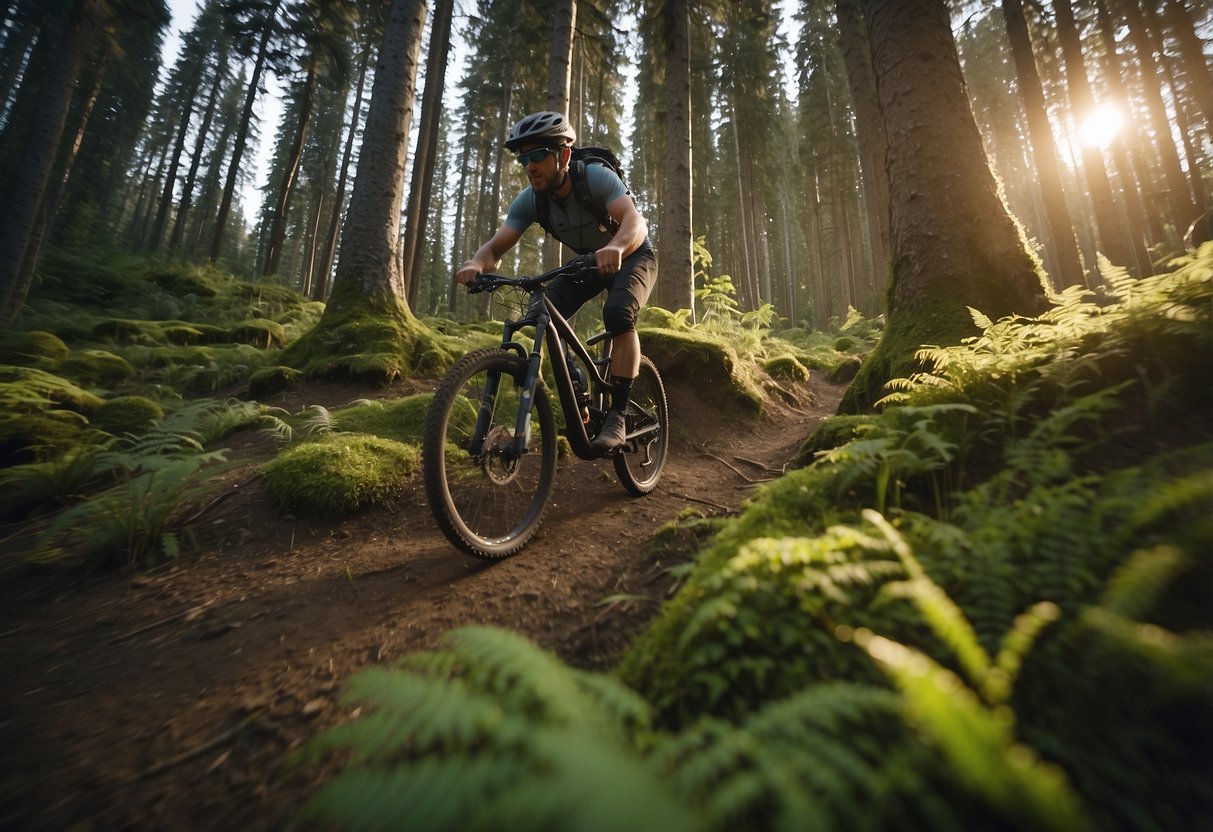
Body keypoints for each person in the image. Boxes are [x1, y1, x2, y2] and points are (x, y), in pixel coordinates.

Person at [455, 111, 657, 454]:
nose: (530, 166)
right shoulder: (531, 200)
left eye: (538, 156)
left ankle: (618, 415)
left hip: (633, 252)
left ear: (563, 155)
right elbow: (496, 245)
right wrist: (477, 262)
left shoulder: (594, 177)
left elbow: (635, 222)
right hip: (587, 263)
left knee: (619, 314)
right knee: (541, 310)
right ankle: (576, 385)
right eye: (524, 159)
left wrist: (616, 247)